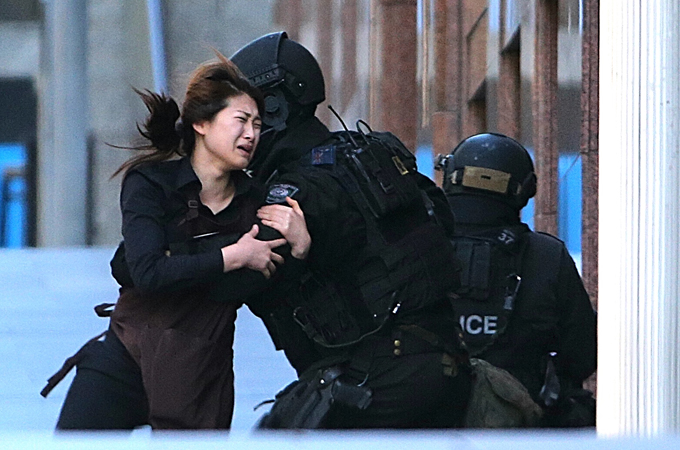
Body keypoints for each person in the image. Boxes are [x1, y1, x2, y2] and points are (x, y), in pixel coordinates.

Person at [44, 53, 312, 430]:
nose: (252, 134)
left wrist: (300, 248)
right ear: (201, 123)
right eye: (241, 120)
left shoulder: (257, 202)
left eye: (257, 124)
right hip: (125, 358)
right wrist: (233, 255)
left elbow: (258, 290)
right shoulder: (152, 183)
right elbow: (146, 271)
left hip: (198, 377)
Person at [230, 32, 472, 429]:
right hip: (446, 362)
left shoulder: (296, 192)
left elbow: (241, 282)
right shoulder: (372, 154)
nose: (242, 131)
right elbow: (442, 221)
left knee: (275, 436)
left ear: (274, 108)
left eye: (244, 116)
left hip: (375, 377)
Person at [436, 132, 597, 427]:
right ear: (524, 191)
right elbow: (582, 354)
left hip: (420, 421)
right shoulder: (547, 256)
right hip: (524, 428)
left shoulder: (412, 247)